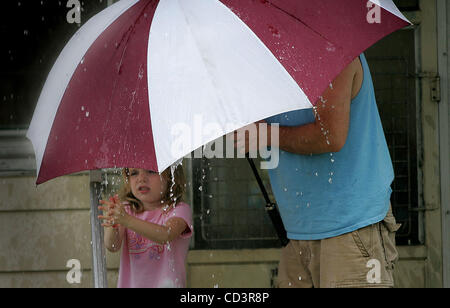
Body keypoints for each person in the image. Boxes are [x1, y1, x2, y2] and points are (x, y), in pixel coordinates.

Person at [234, 54, 401, 288]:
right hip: (298, 229)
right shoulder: (266, 60)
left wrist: (264, 133)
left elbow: (329, 135)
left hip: (351, 226)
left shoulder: (333, 50)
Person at [98, 163, 193, 288]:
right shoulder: (127, 209)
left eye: (151, 171)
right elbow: (112, 246)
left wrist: (126, 220)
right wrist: (113, 223)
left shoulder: (178, 210)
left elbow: (166, 234)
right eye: (134, 173)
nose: (141, 178)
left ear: (171, 176)